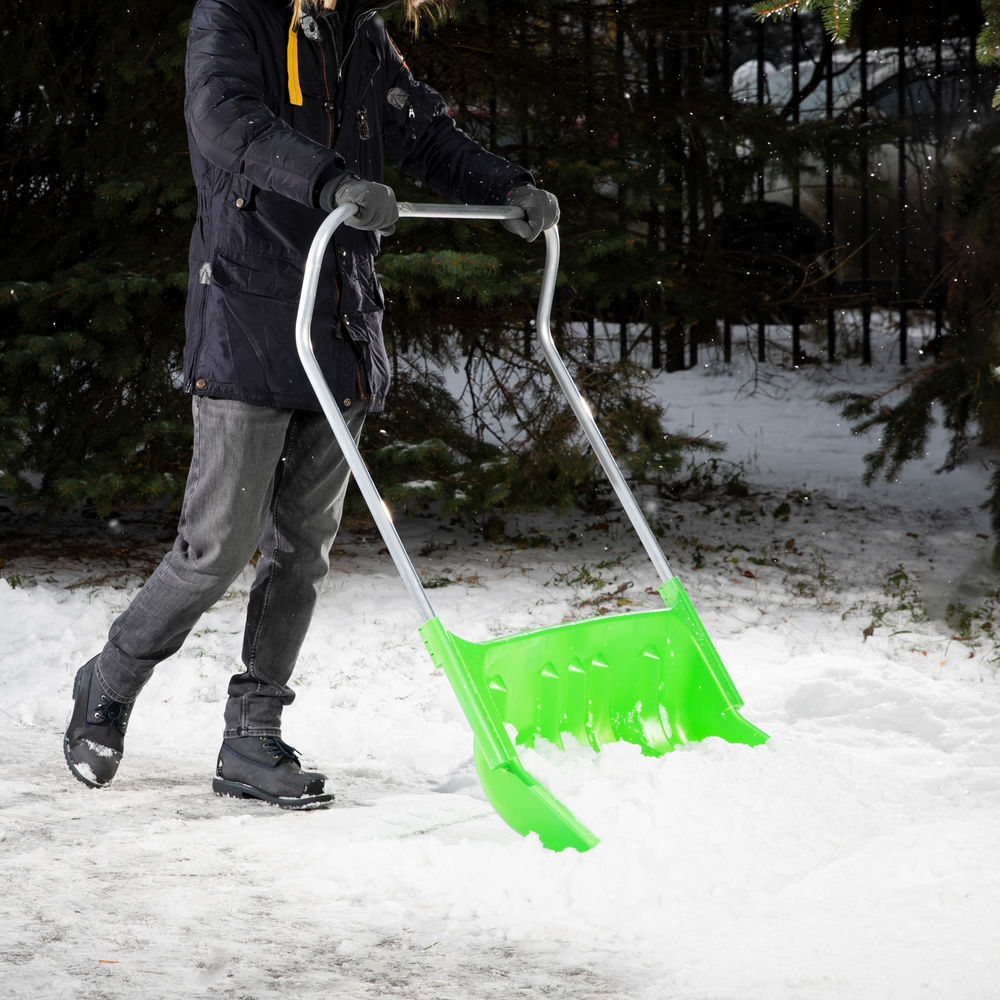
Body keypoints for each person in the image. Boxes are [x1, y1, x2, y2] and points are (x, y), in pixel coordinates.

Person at [63, 0, 559, 808]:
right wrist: (332, 180)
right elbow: (227, 119)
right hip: (248, 315)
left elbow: (424, 133)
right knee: (217, 547)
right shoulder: (231, 16)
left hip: (339, 322)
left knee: (302, 549)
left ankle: (252, 737)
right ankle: (111, 678)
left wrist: (509, 187)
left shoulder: (362, 35)